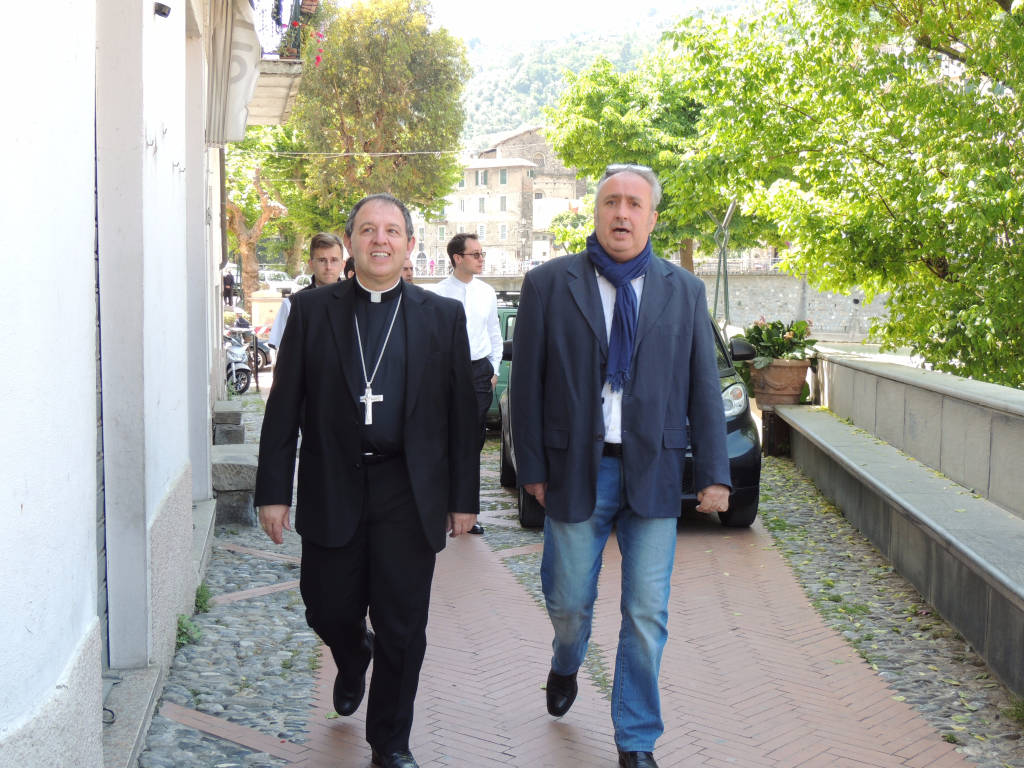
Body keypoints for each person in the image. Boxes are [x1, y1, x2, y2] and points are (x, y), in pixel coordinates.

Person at [509, 164, 731, 768]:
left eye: (635, 204)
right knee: (569, 601)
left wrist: (714, 472)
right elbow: (524, 386)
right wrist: (529, 468)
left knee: (645, 614)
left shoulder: (682, 290)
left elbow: (702, 387)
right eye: (611, 202)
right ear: (597, 212)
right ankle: (565, 660)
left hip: (654, 474)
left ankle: (636, 741)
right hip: (574, 472)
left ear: (653, 218)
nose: (622, 214)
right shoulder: (550, 284)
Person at [255, 194, 479, 768]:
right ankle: (353, 656)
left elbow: (460, 417)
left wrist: (462, 499)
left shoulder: (440, 316)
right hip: (334, 482)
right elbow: (284, 407)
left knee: (404, 625)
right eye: (368, 230)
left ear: (409, 244)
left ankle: (390, 743)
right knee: (325, 607)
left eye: (393, 231)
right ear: (351, 241)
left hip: (408, 489)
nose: (381, 240)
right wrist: (274, 491)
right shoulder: (312, 311)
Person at [429, 233, 502, 535]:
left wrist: (493, 369)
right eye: (475, 254)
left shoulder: (487, 292)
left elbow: (495, 334)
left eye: (482, 253)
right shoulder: (436, 294)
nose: (481, 258)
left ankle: (468, 510)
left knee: (472, 443)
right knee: (442, 439)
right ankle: (439, 507)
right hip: (445, 373)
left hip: (479, 373)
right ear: (457, 258)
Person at [267, 233, 343, 350]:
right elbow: (282, 356)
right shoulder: (292, 304)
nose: (328, 267)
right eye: (322, 260)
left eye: (334, 260)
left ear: (343, 264)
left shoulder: (357, 302)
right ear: (311, 264)